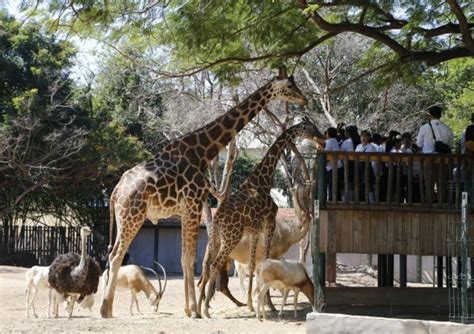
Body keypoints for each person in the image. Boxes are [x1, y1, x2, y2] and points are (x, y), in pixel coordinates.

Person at [416, 105, 454, 203]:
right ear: (440, 115)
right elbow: (450, 144)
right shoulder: (447, 128)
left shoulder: (424, 128)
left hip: (428, 159)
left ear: (430, 115)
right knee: (442, 183)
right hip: (443, 159)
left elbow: (419, 143)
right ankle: (442, 202)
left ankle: (429, 202)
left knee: (429, 183)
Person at [356, 130, 377, 202]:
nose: (363, 138)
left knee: (369, 184)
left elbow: (374, 160)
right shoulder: (358, 147)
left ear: (368, 138)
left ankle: (372, 200)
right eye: (362, 136)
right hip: (359, 167)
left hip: (368, 166)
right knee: (361, 184)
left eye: (365, 136)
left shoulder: (371, 147)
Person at [324, 127, 343, 201]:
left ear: (328, 134)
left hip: (333, 167)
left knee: (332, 185)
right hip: (337, 166)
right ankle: (336, 200)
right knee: (336, 186)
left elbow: (326, 153)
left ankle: (332, 200)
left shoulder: (330, 141)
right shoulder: (334, 140)